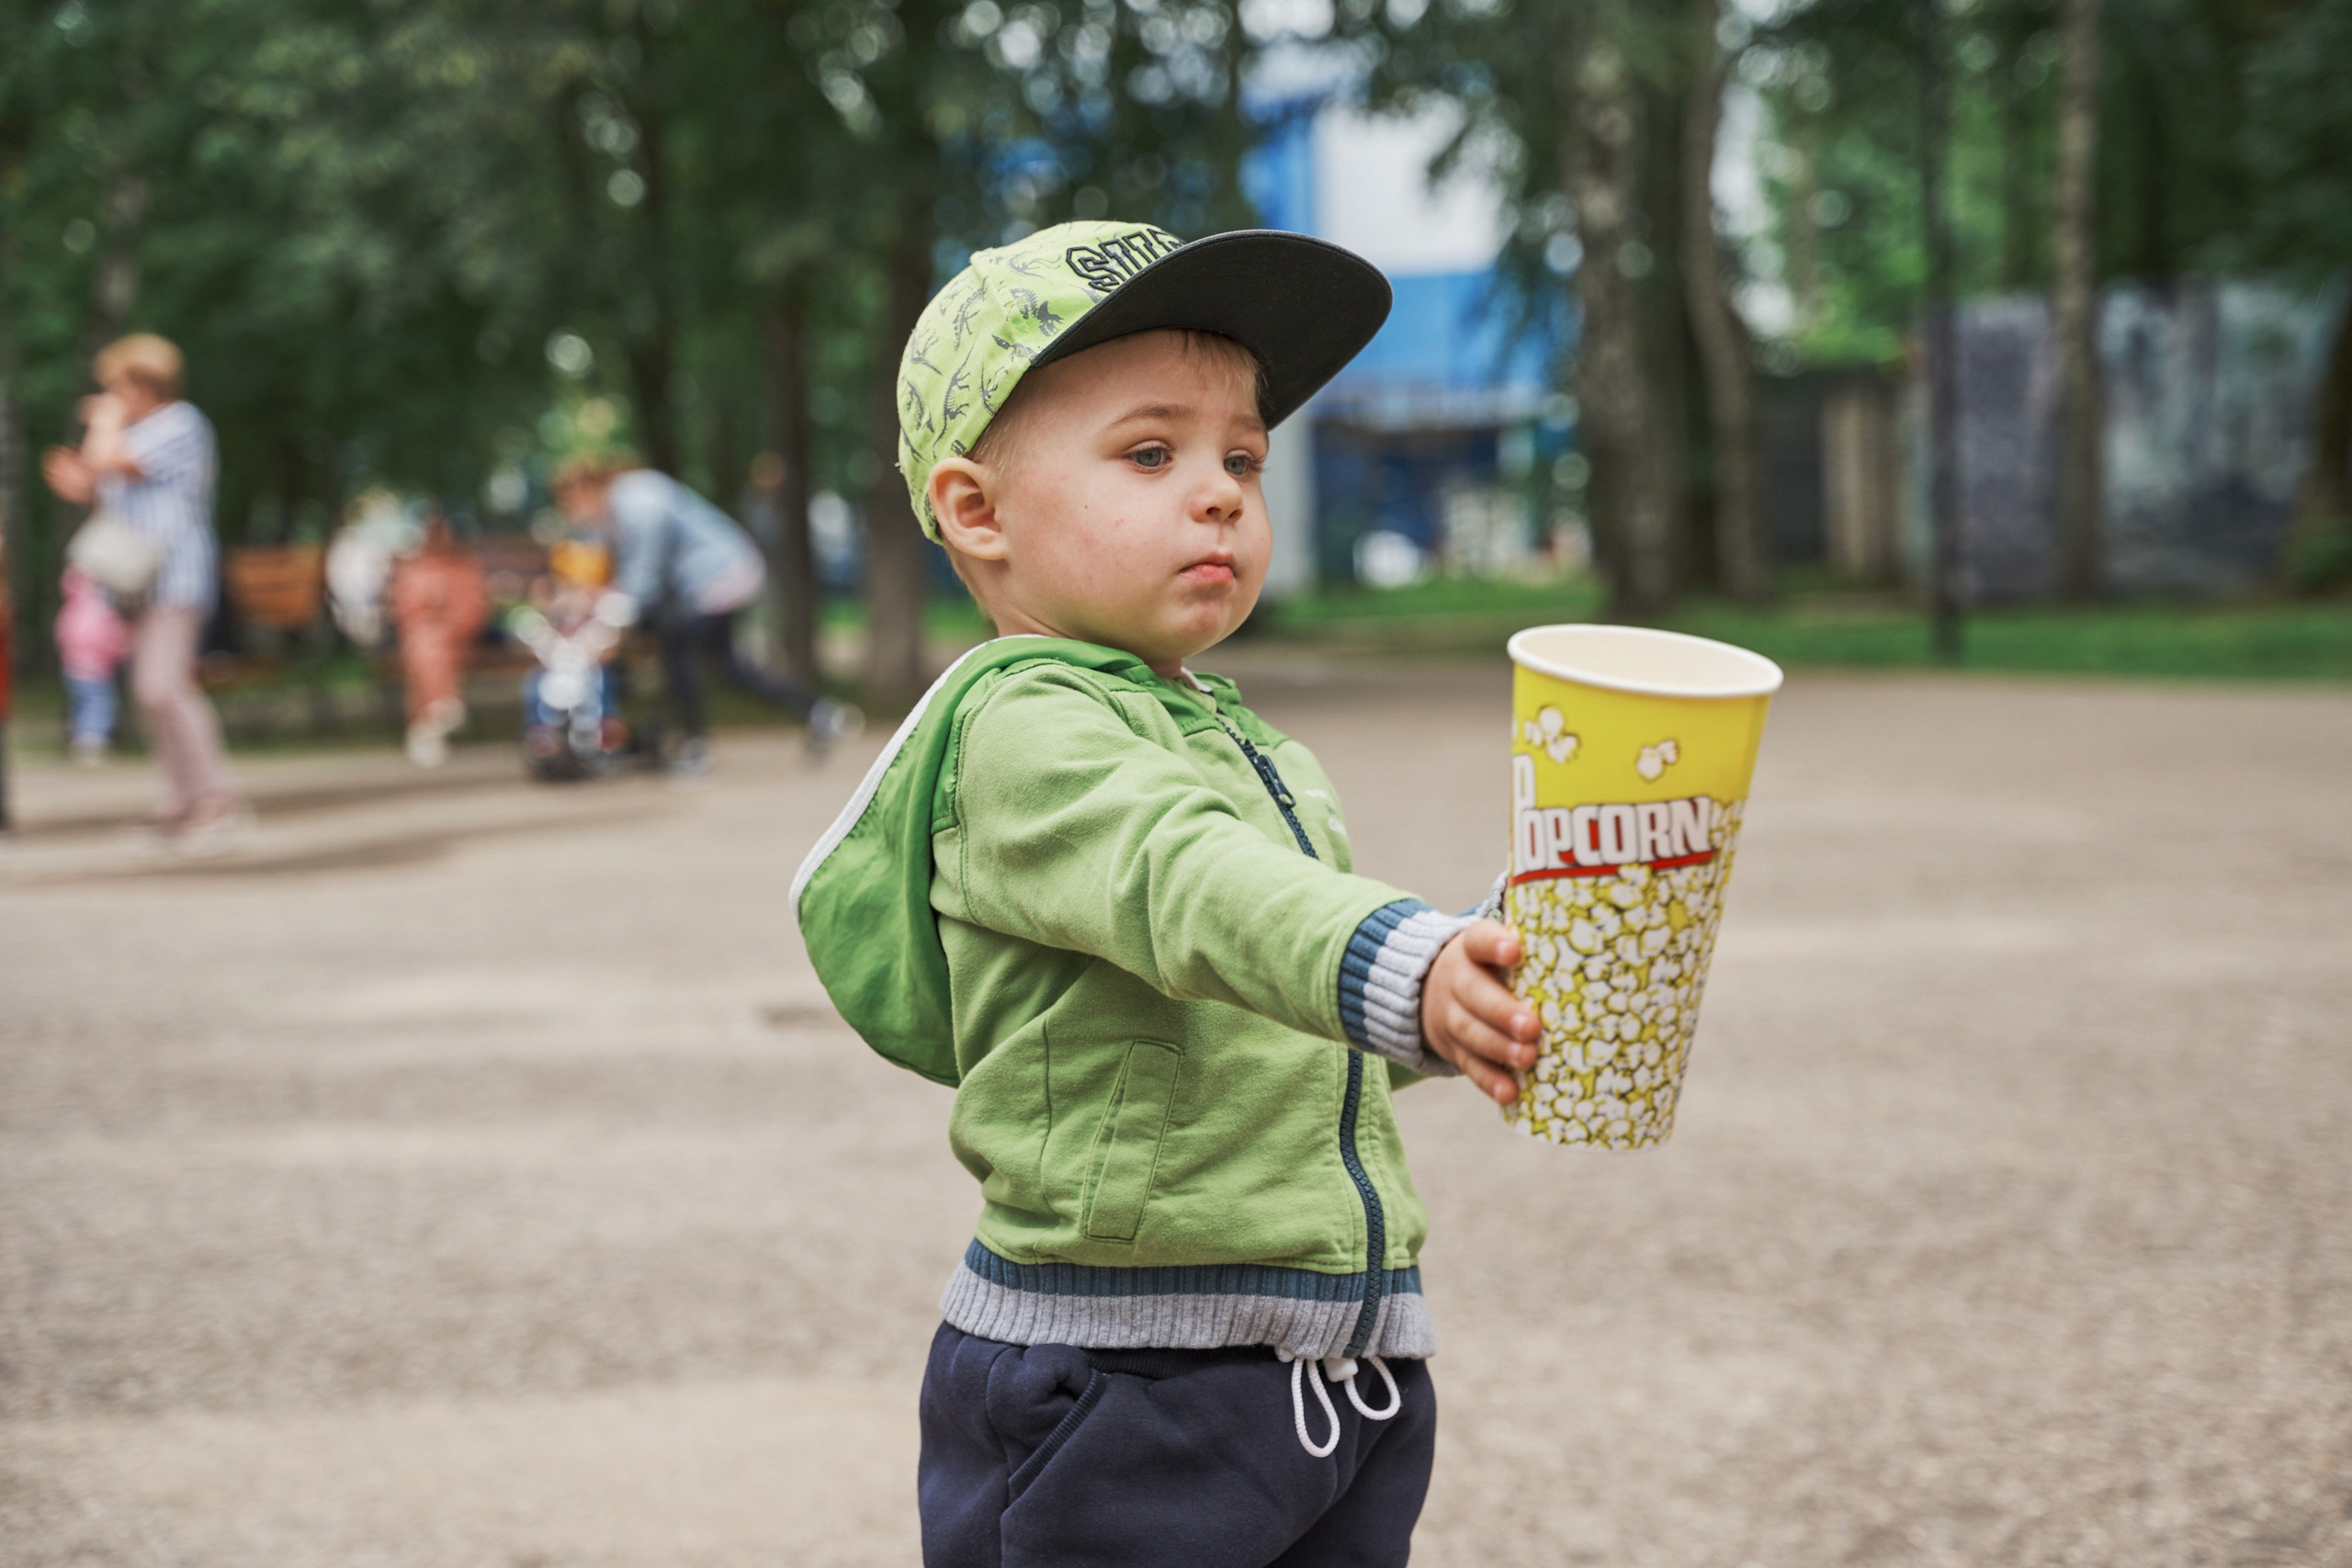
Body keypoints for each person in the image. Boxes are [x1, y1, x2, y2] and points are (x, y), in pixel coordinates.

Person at [790, 222, 1542, 1568]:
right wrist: (1399, 960)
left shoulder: (1238, 737)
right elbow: (1186, 883)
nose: (1220, 494)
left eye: (1241, 457)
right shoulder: (1019, 735)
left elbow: (1274, 999)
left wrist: (1471, 979)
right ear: (977, 510)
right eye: (1150, 453)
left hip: (1332, 1355)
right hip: (1127, 1372)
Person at [41, 333, 244, 852]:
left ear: (142, 383)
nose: (111, 395)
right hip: (138, 583)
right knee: (151, 693)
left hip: (176, 576)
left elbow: (112, 461)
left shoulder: (180, 424)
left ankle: (214, 801)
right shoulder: (139, 433)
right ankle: (180, 804)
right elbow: (103, 482)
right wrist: (77, 482)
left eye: (117, 386)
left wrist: (104, 424)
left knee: (164, 687)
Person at [549, 455, 854, 769]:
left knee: (678, 649)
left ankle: (694, 748)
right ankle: (819, 711)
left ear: (589, 489)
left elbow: (643, 580)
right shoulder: (615, 512)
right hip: (709, 579)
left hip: (719, 576)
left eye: (571, 502)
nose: (572, 512)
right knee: (727, 666)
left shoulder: (639, 501)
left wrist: (604, 625)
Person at [387, 514, 490, 768]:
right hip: (423, 636)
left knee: (430, 648)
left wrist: (449, 622)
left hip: (457, 637)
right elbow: (403, 611)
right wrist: (429, 613)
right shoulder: (413, 569)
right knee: (426, 646)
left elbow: (475, 610)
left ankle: (427, 724)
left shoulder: (462, 566)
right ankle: (443, 707)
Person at [54, 567, 131, 765]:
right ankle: (93, 742)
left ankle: (79, 737)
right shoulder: (101, 609)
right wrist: (121, 651)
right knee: (99, 704)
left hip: (71, 668)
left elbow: (61, 635)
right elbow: (110, 637)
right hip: (97, 669)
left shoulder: (70, 608)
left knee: (80, 705)